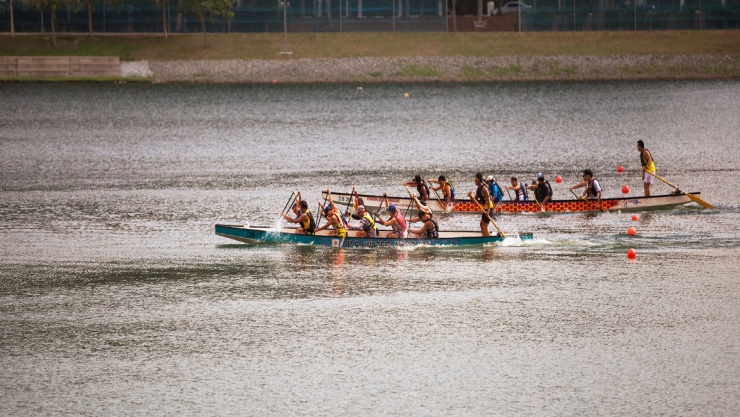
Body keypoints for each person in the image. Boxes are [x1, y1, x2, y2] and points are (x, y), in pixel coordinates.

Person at [474, 172, 495, 237]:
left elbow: (488, 199)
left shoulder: (484, 188)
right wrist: (470, 196)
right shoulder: (478, 189)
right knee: (481, 225)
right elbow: (475, 199)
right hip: (485, 208)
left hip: (489, 208)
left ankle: (488, 239)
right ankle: (484, 238)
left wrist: (488, 210)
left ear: (478, 179)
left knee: (485, 226)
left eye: (475, 178)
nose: (474, 180)